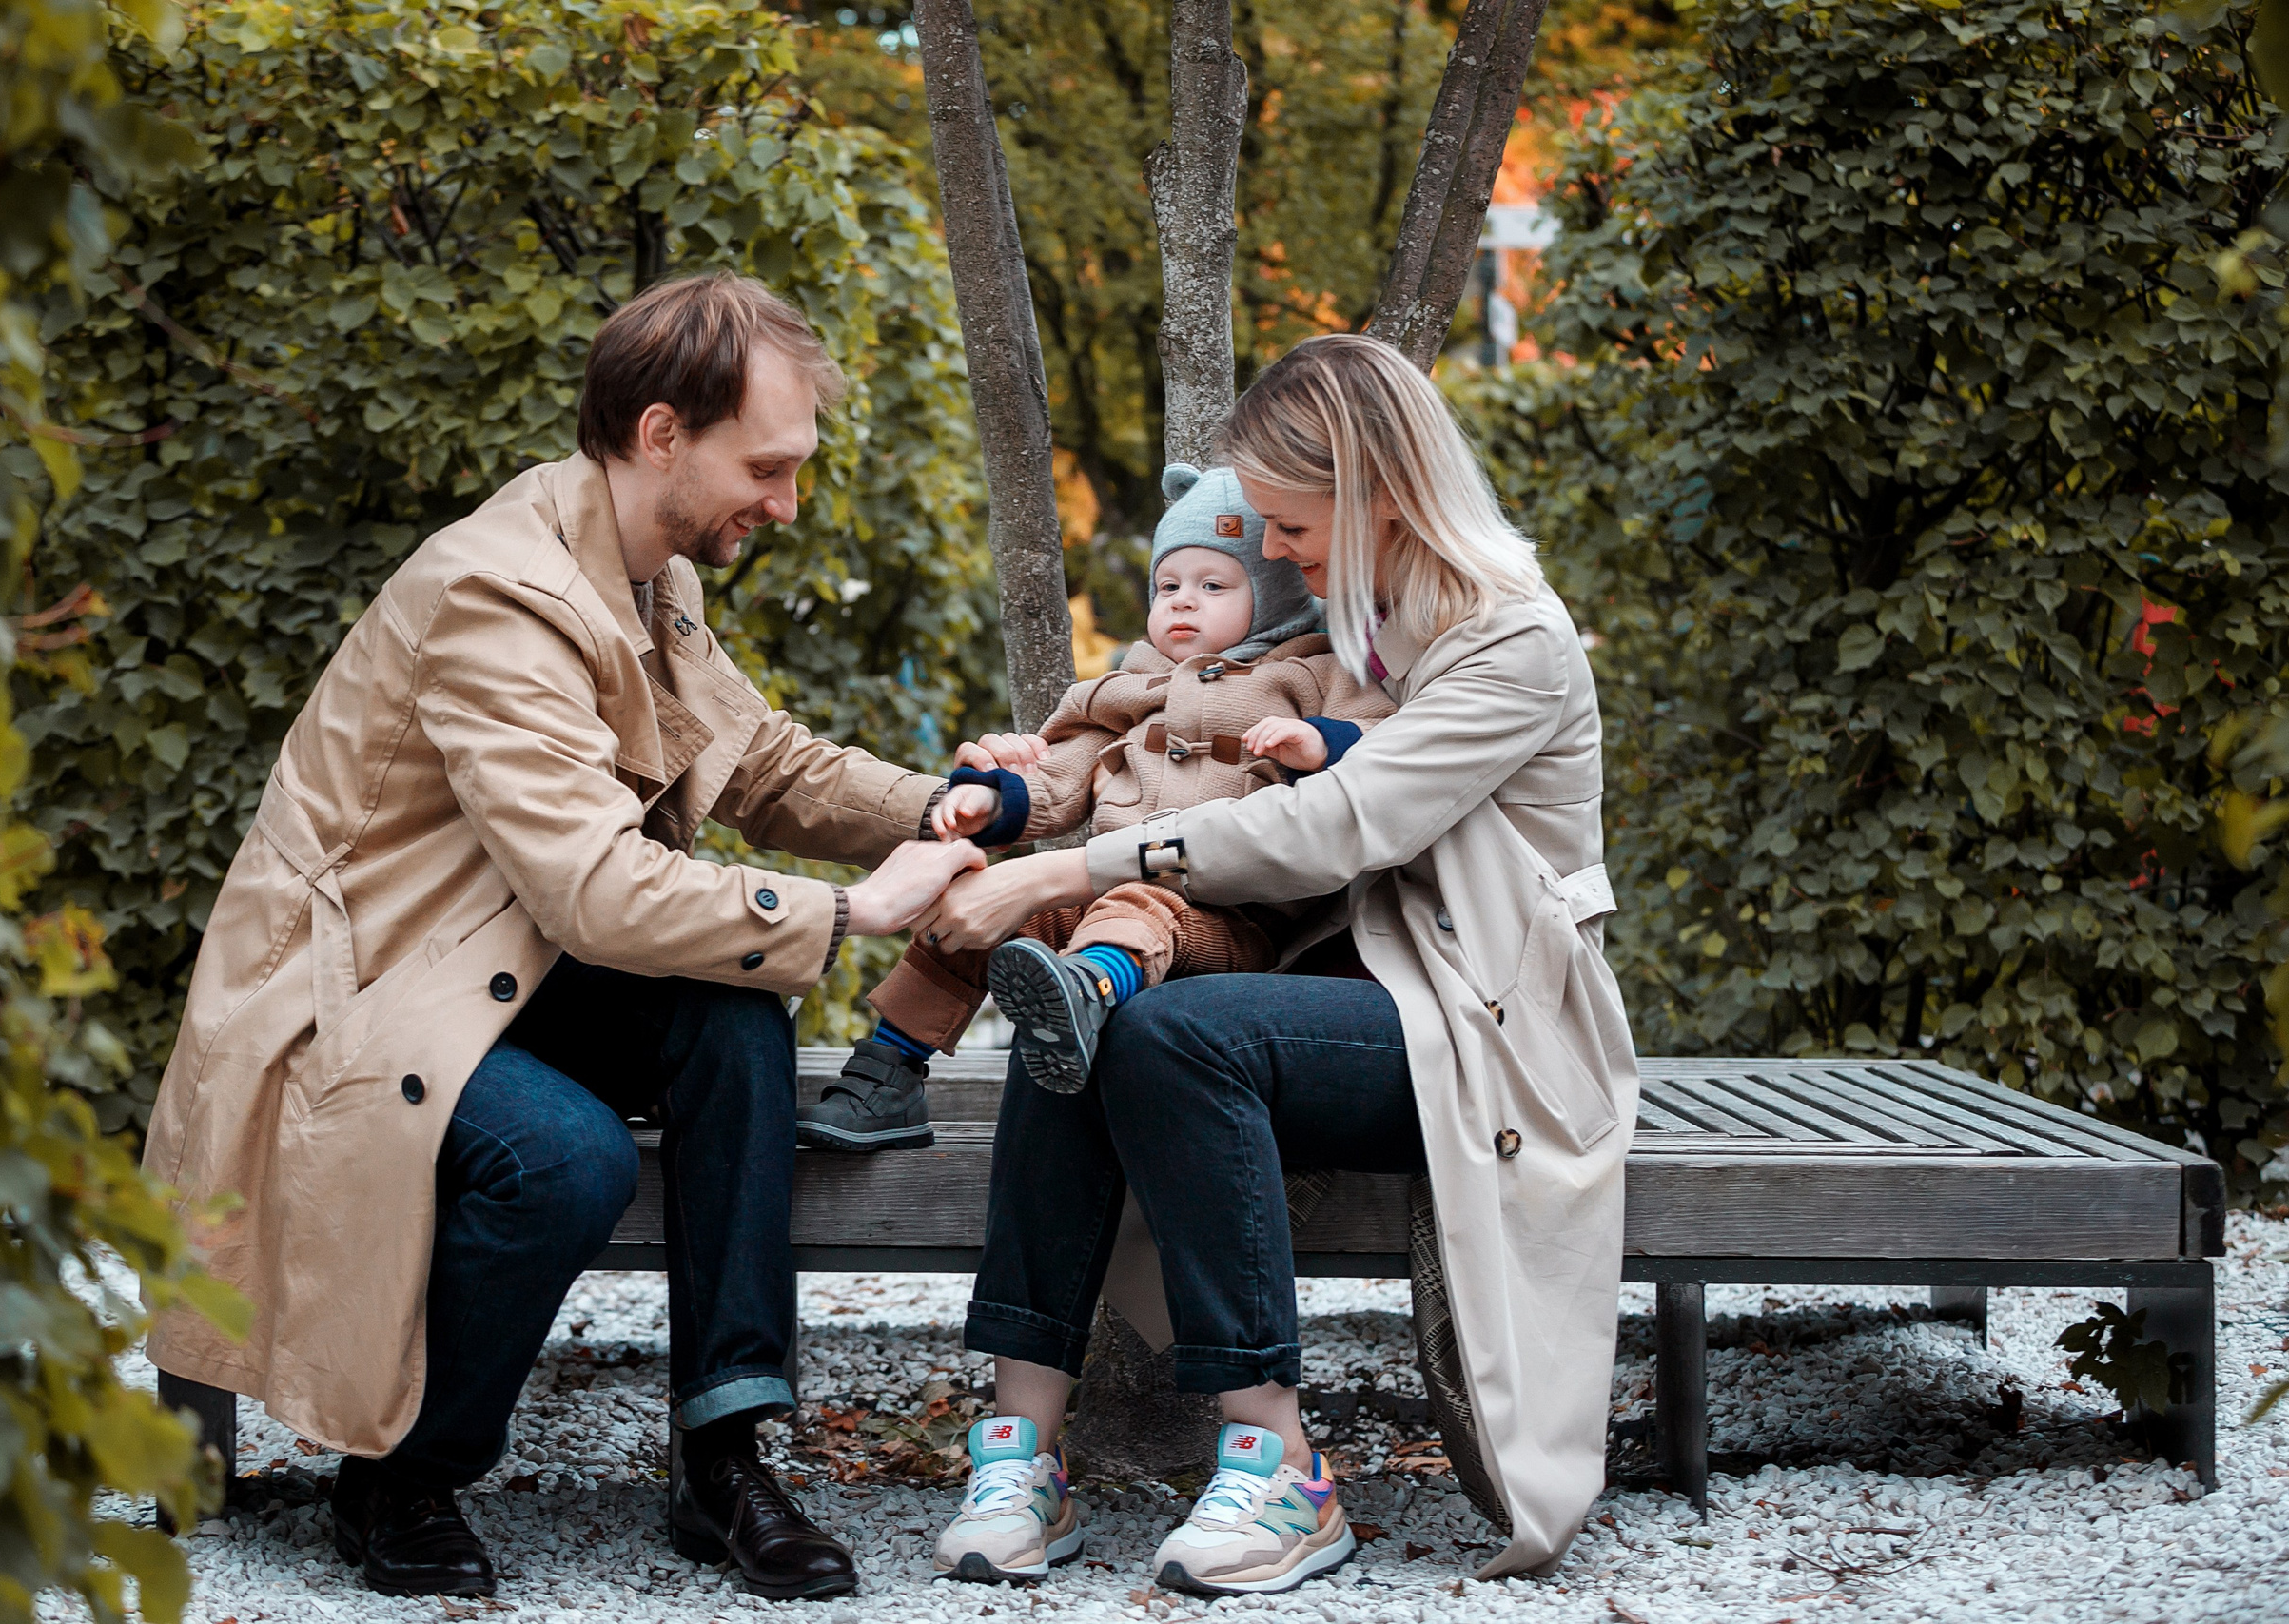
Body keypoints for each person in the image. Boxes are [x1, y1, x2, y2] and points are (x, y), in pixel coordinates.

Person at [139, 273, 994, 1603]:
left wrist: (934, 805)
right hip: (356, 989)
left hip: (494, 959)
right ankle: (405, 1472)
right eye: (765, 467)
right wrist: (846, 909)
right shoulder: (500, 594)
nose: (784, 499)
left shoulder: (646, 571)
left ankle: (726, 1453)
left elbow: (757, 757)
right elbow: (594, 890)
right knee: (561, 1157)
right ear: (663, 434)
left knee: (728, 1017)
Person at [919, 333, 1639, 1595]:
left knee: (1169, 1025)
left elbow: (1332, 825)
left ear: (1381, 497)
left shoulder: (1509, 646)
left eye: (1293, 523)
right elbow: (1171, 743)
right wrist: (1031, 781)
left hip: (1482, 1026)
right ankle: (1020, 1447)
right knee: (1073, 1005)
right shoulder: (1366, 640)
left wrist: (1074, 866)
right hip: (1350, 988)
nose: (1280, 553)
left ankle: (1282, 1465)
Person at [795, 464, 1394, 1150]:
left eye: (1213, 585)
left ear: (1278, 593)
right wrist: (989, 799)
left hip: (1227, 917)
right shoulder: (1127, 687)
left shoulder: (1314, 673)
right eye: (1168, 585)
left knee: (1133, 909)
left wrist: (1321, 743)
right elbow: (1061, 771)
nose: (1182, 603)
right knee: (980, 905)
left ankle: (1079, 996)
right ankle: (890, 1072)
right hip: (1101, 888)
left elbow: (1386, 750)